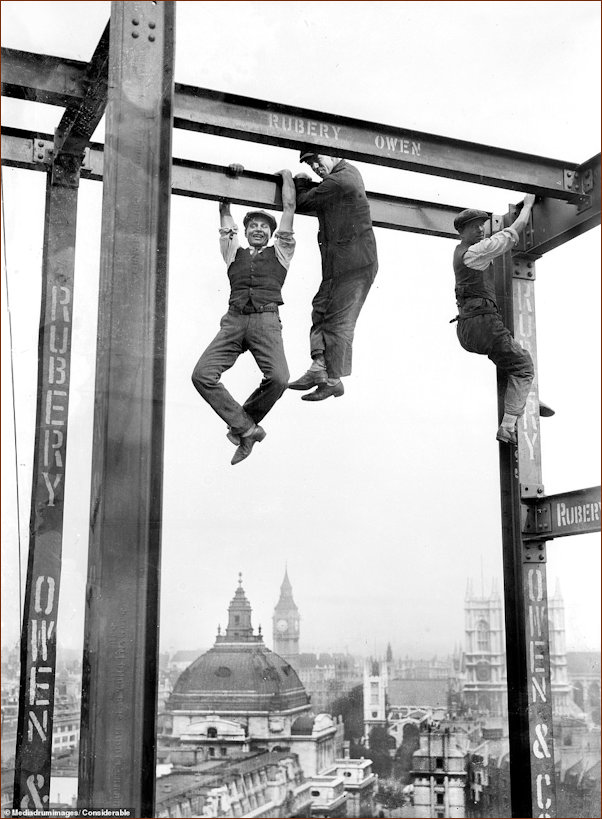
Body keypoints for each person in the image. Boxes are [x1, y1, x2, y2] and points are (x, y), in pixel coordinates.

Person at [191, 168, 296, 465]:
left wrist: (286, 175)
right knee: (202, 375)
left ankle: (245, 427)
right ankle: (247, 428)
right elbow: (225, 218)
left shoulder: (282, 252)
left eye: (264, 226)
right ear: (246, 230)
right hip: (234, 321)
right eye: (253, 226)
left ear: (271, 233)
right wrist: (228, 183)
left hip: (266, 321)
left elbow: (289, 208)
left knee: (279, 378)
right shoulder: (232, 251)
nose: (259, 230)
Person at [452, 196, 553, 444]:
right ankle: (507, 427)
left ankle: (523, 396)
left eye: (482, 225)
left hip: (468, 328)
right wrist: (527, 207)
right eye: (474, 226)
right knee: (524, 366)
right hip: (483, 323)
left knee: (509, 360)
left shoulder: (459, 252)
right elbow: (510, 234)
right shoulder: (476, 251)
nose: (480, 229)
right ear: (461, 231)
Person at [288, 150, 378, 400]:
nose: (315, 166)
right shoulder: (337, 179)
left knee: (339, 322)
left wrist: (300, 181)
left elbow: (303, 202)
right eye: (309, 163)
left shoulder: (341, 180)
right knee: (320, 309)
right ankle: (319, 367)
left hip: (356, 263)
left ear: (334, 152)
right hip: (339, 264)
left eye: (318, 159)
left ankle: (333, 379)